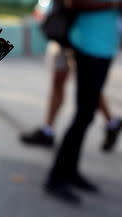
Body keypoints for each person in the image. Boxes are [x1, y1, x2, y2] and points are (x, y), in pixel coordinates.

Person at [45, 0, 122, 204]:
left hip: (104, 47)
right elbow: (73, 2)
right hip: (88, 46)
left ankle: (70, 172)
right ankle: (56, 178)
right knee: (83, 115)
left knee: (86, 116)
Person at [20, 40, 122, 152]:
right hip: (62, 36)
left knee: (89, 86)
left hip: (81, 39)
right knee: (58, 80)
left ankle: (112, 123)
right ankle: (47, 130)